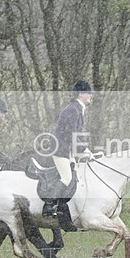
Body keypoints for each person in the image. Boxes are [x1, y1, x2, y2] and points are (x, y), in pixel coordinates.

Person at [39, 80, 93, 231]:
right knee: (67, 178)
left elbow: (78, 133)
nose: (90, 96)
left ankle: (62, 210)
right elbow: (72, 133)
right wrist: (83, 149)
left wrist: (85, 149)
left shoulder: (77, 108)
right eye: (88, 93)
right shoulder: (73, 110)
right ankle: (49, 205)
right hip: (60, 149)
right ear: (81, 94)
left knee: (73, 178)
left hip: (66, 149)